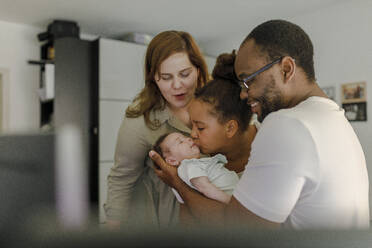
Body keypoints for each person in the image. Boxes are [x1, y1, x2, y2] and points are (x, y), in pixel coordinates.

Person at [150, 19, 370, 230]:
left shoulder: (287, 124)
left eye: (249, 80)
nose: (244, 94)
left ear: (286, 69)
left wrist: (177, 184)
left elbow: (241, 231)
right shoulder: (333, 118)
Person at [104, 30, 209, 229]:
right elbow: (121, 179)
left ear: (198, 69)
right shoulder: (141, 117)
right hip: (160, 223)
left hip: (213, 220)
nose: (177, 85)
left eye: (185, 74)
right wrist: (112, 233)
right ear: (154, 78)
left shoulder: (217, 104)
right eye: (166, 77)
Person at [153, 132, 239, 204]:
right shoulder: (189, 166)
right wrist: (231, 202)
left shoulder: (195, 163)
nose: (189, 139)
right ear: (172, 161)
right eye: (180, 142)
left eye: (185, 137)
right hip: (233, 200)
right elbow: (205, 187)